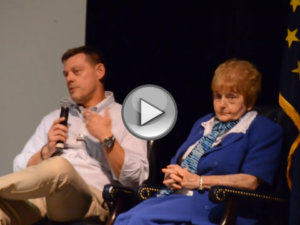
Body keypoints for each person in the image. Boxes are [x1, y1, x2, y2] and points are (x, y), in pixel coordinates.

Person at [114, 59, 283, 225]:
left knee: (139, 220)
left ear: (250, 101)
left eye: (231, 98)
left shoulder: (263, 129)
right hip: (175, 197)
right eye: (218, 96)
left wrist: (199, 181)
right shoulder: (204, 123)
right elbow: (178, 164)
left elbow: (250, 181)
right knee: (124, 219)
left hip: (214, 205)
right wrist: (172, 175)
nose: (222, 104)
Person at [0, 46, 149, 225]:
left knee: (59, 167)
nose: (69, 79)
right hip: (41, 200)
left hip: (89, 200)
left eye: (76, 72)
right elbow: (21, 170)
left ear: (99, 71)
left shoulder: (128, 118)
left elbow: (137, 179)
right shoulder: (53, 118)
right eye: (66, 74)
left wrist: (107, 138)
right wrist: (45, 152)